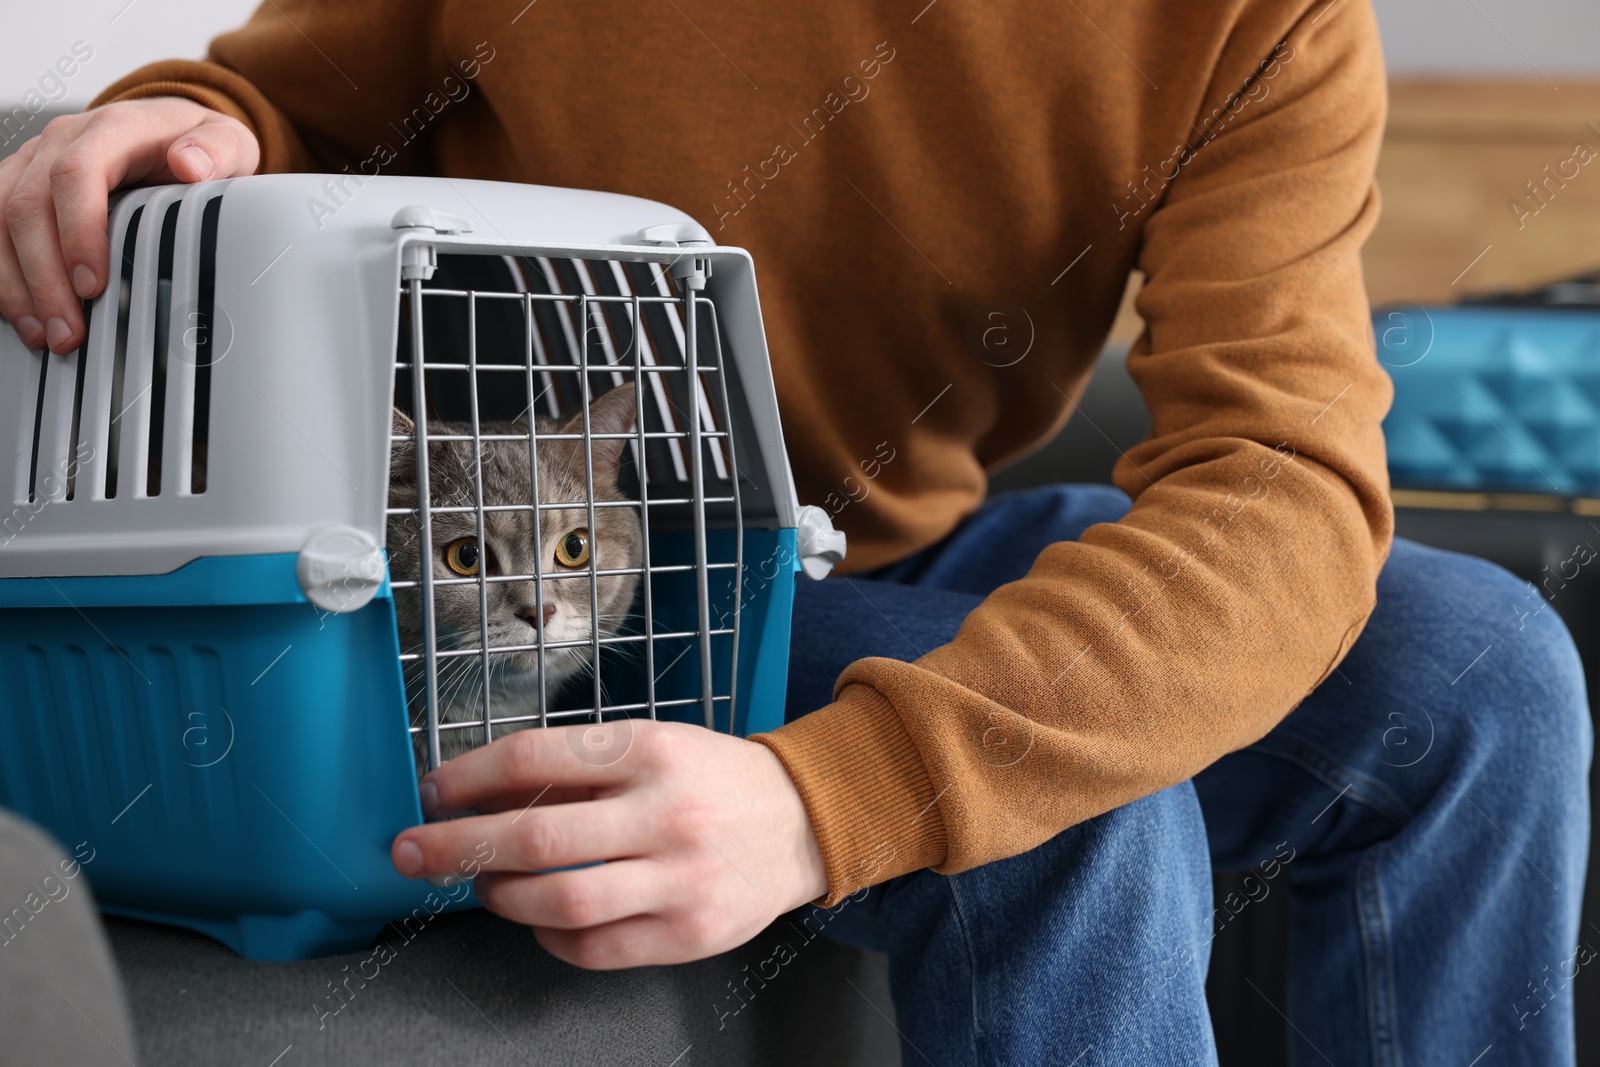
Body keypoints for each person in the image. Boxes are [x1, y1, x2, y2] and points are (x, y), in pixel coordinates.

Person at [0, 1, 1589, 1062]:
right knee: (1071, 810)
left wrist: (850, 788)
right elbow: (281, 95)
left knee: (1485, 673)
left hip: (893, 540)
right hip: (625, 561)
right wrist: (183, 123)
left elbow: (1282, 478)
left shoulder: (1263, 22)